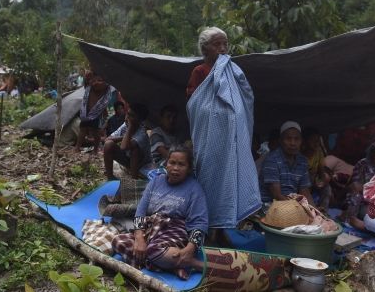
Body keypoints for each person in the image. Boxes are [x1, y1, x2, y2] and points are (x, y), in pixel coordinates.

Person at [186, 27, 261, 230]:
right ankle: (205, 227)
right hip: (210, 138)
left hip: (230, 138)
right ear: (205, 49)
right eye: (217, 44)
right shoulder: (200, 71)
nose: (222, 48)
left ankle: (223, 226)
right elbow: (196, 103)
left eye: (225, 44)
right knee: (208, 178)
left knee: (229, 178)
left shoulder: (234, 70)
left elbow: (244, 98)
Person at [111, 146, 207, 280]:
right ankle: (174, 267)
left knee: (152, 250)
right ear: (166, 164)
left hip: (174, 228)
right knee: (118, 241)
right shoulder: (156, 181)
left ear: (189, 168)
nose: (175, 168)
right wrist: (139, 238)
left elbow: (200, 222)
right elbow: (141, 211)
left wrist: (190, 249)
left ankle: (192, 262)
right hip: (151, 227)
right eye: (172, 162)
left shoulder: (194, 189)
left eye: (181, 164)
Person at [259, 121, 315, 207]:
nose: (293, 143)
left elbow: (305, 192)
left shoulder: (303, 161)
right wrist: (298, 209)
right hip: (270, 206)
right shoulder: (271, 160)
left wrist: (314, 210)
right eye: (288, 139)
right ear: (281, 141)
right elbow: (277, 195)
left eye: (296, 139)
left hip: (292, 205)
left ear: (301, 141)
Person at [343, 141, 375, 230]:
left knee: (373, 218)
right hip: (361, 200)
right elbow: (355, 186)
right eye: (374, 151)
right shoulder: (363, 164)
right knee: (356, 198)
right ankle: (349, 220)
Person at [103, 103, 153, 180]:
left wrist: (130, 128)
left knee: (135, 150)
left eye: (132, 116)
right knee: (108, 144)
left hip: (142, 164)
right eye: (127, 114)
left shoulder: (142, 134)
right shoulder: (125, 125)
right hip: (128, 160)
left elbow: (123, 147)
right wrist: (123, 136)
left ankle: (134, 180)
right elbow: (107, 139)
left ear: (139, 120)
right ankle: (110, 177)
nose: (127, 117)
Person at [75, 72, 115, 153]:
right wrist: (90, 79)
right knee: (83, 129)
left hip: (95, 113)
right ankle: (77, 148)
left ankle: (95, 150)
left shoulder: (106, 89)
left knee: (95, 131)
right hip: (85, 112)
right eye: (94, 80)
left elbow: (101, 86)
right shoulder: (89, 87)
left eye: (99, 80)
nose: (96, 82)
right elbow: (88, 82)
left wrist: (96, 81)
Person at [302, 128, 331, 209]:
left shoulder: (318, 152)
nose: (316, 143)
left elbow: (321, 171)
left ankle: (323, 209)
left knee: (327, 188)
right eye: (313, 140)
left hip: (313, 180)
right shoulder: (300, 155)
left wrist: (322, 180)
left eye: (318, 140)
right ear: (305, 141)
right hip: (302, 184)